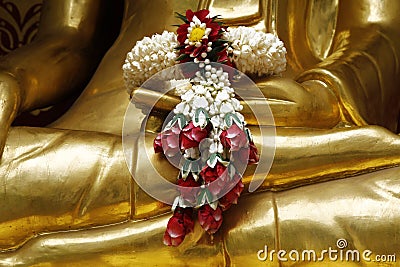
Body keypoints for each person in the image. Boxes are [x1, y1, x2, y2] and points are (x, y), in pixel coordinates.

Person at [0, 0, 399, 265]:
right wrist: (12, 81)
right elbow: (67, 39)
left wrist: (324, 95)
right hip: (110, 134)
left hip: (279, 121)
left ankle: (76, 254)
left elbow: (380, 34)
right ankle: (211, 242)